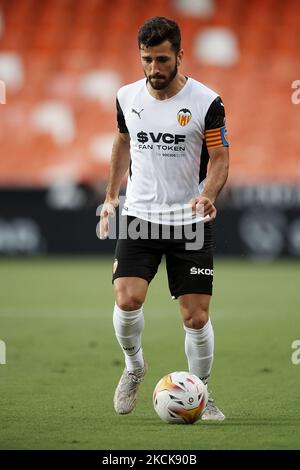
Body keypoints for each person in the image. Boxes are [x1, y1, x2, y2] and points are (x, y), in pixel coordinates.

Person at [100, 16, 229, 421]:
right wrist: (110, 196)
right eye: (146, 60)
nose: (153, 69)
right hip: (140, 216)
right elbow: (122, 143)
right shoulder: (126, 97)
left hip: (189, 221)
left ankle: (200, 392)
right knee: (127, 299)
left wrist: (208, 194)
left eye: (161, 60)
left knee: (196, 316)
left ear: (179, 55)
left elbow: (221, 158)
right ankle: (135, 367)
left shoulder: (207, 102)